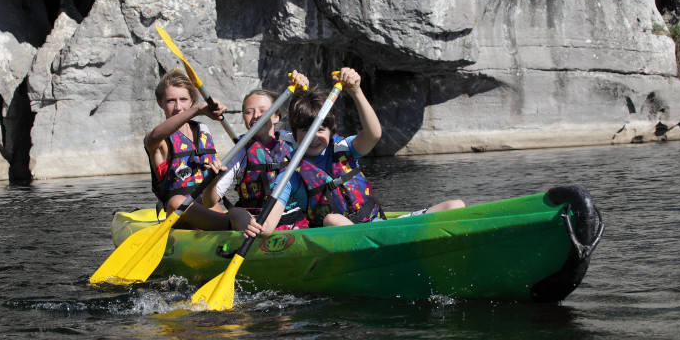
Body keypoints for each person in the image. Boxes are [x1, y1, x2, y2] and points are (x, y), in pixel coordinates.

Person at [248, 67, 465, 237]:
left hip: (378, 227)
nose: (313, 137)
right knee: (332, 219)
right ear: (294, 135)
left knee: (455, 206)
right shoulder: (292, 175)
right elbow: (272, 215)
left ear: (331, 131)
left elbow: (374, 134)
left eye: (320, 130)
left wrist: (356, 92)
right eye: (305, 131)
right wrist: (259, 228)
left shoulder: (346, 149)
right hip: (340, 238)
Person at [144, 68, 253, 231]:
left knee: (235, 210)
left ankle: (242, 227)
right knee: (177, 202)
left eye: (183, 99)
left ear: (191, 100)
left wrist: (217, 174)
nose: (178, 107)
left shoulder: (203, 131)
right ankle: (231, 227)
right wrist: (197, 110)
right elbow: (153, 137)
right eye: (170, 101)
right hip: (178, 213)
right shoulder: (159, 140)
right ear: (160, 102)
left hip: (207, 204)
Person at [203, 71, 311, 230]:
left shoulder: (293, 141)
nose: (255, 116)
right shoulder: (240, 151)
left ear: (276, 117)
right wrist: (213, 180)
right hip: (253, 221)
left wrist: (302, 92)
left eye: (263, 110)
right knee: (235, 213)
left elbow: (311, 118)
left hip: (293, 216)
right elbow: (209, 202)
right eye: (249, 112)